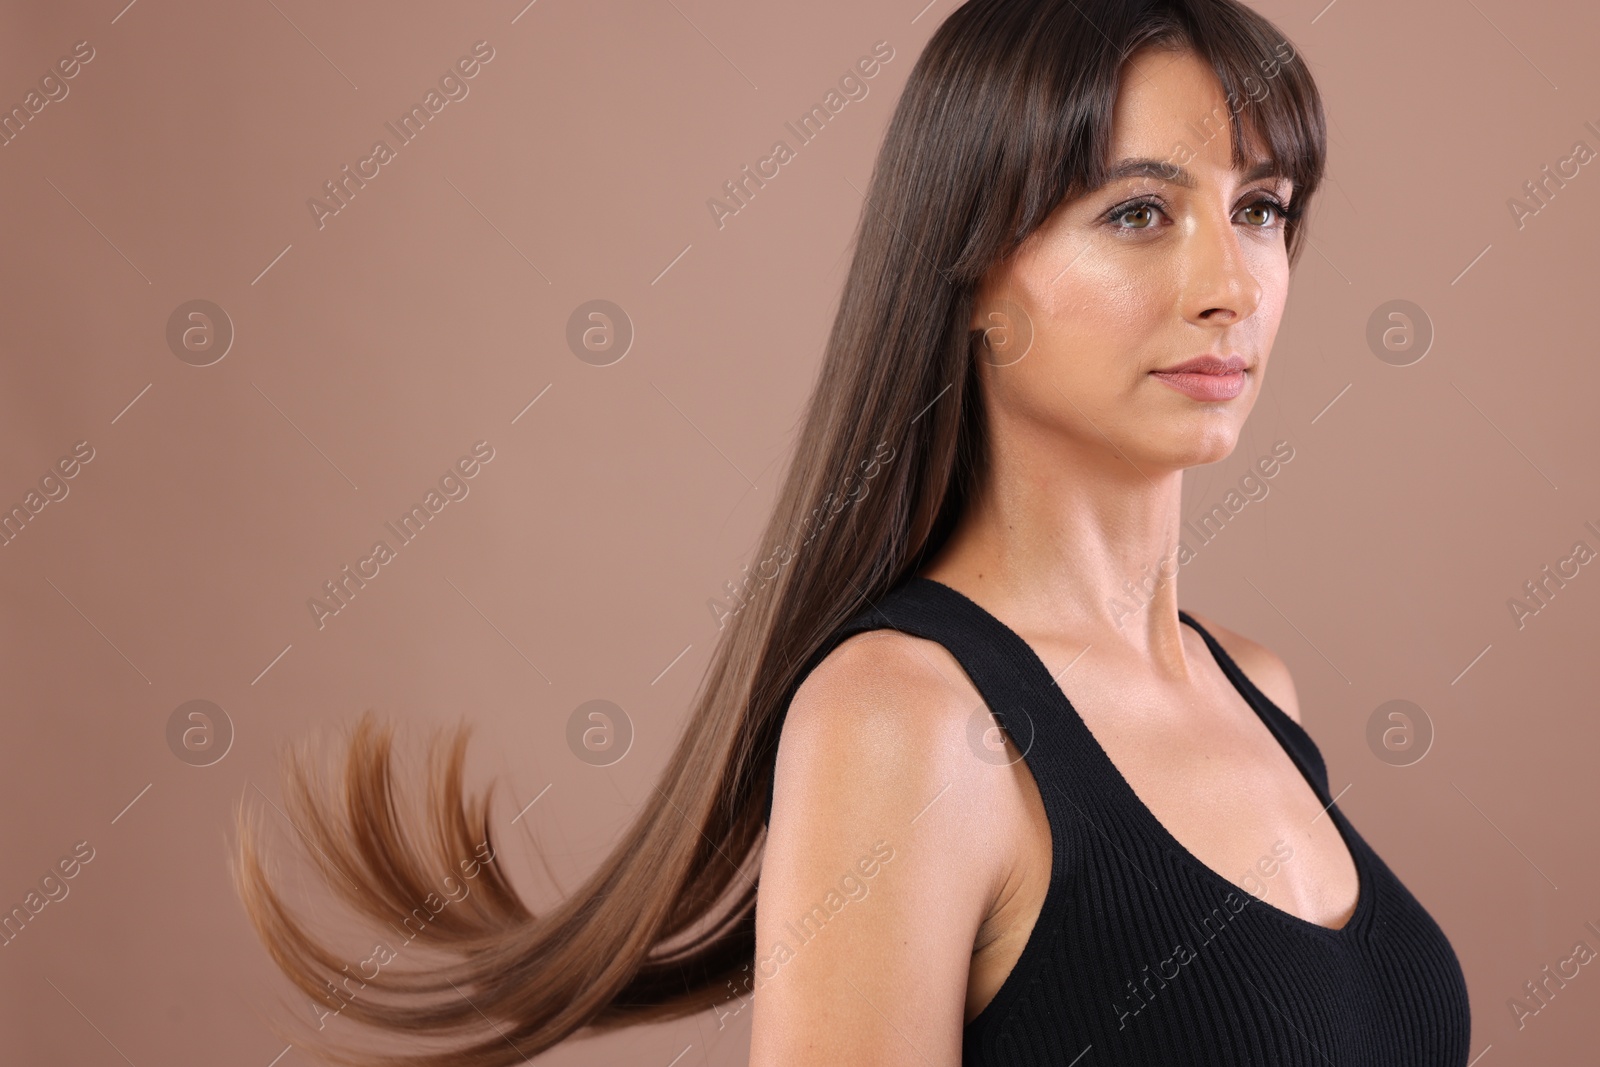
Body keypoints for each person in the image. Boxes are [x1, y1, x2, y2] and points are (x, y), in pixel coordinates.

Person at [232, 1, 1472, 1065]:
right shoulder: (902, 722)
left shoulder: (1256, 687)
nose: (1232, 285)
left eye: (1261, 208)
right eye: (1140, 213)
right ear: (975, 273)